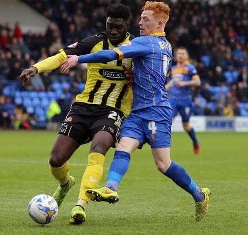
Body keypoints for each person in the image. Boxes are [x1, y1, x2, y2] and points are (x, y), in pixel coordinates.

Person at [60, 1, 210, 222]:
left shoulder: (146, 42)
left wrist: (78, 59)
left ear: (159, 23)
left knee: (163, 164)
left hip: (156, 111)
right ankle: (110, 187)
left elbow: (109, 55)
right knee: (123, 147)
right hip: (138, 112)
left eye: (145, 19)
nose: (139, 22)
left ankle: (199, 194)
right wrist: (134, 77)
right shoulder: (165, 45)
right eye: (140, 18)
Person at [18, 3, 134, 225]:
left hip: (112, 110)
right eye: (110, 25)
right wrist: (35, 68)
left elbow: (153, 76)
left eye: (118, 26)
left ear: (126, 25)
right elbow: (61, 56)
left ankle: (81, 204)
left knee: (99, 148)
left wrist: (135, 79)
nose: (113, 30)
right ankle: (65, 184)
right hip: (83, 107)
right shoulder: (93, 42)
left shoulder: (136, 48)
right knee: (56, 159)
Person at [165, 47, 201, 154]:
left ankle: (195, 141)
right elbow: (170, 83)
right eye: (179, 53)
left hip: (185, 100)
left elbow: (198, 82)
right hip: (173, 100)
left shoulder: (190, 68)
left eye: (183, 53)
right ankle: (165, 148)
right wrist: (166, 87)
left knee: (186, 126)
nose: (180, 55)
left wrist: (185, 83)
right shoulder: (172, 68)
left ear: (186, 56)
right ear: (176, 56)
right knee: (167, 122)